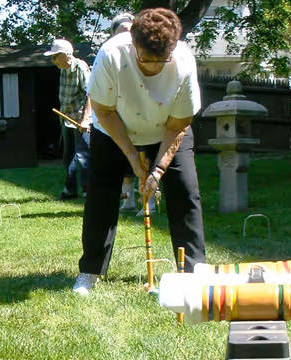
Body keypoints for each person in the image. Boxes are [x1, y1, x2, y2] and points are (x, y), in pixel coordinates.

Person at [73, 8, 206, 295]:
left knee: (185, 192)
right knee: (100, 193)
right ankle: (90, 271)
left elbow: (178, 124)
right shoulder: (110, 55)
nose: (153, 69)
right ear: (134, 44)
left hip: (167, 128)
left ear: (172, 50)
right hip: (114, 127)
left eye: (161, 61)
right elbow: (104, 111)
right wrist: (132, 156)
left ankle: (193, 273)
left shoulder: (182, 62)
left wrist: (158, 170)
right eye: (146, 59)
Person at [109, 13, 156, 216]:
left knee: (146, 161)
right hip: (122, 119)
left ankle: (149, 202)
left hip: (147, 119)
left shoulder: (149, 55)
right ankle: (128, 202)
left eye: (129, 32)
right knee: (126, 161)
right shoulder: (112, 59)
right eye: (120, 34)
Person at [44, 39, 92, 200]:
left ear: (65, 55)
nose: (53, 61)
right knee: (68, 157)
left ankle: (87, 191)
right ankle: (71, 191)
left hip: (80, 120)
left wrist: (85, 120)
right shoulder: (63, 69)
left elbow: (90, 94)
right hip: (66, 119)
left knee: (82, 157)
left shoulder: (81, 67)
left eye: (55, 57)